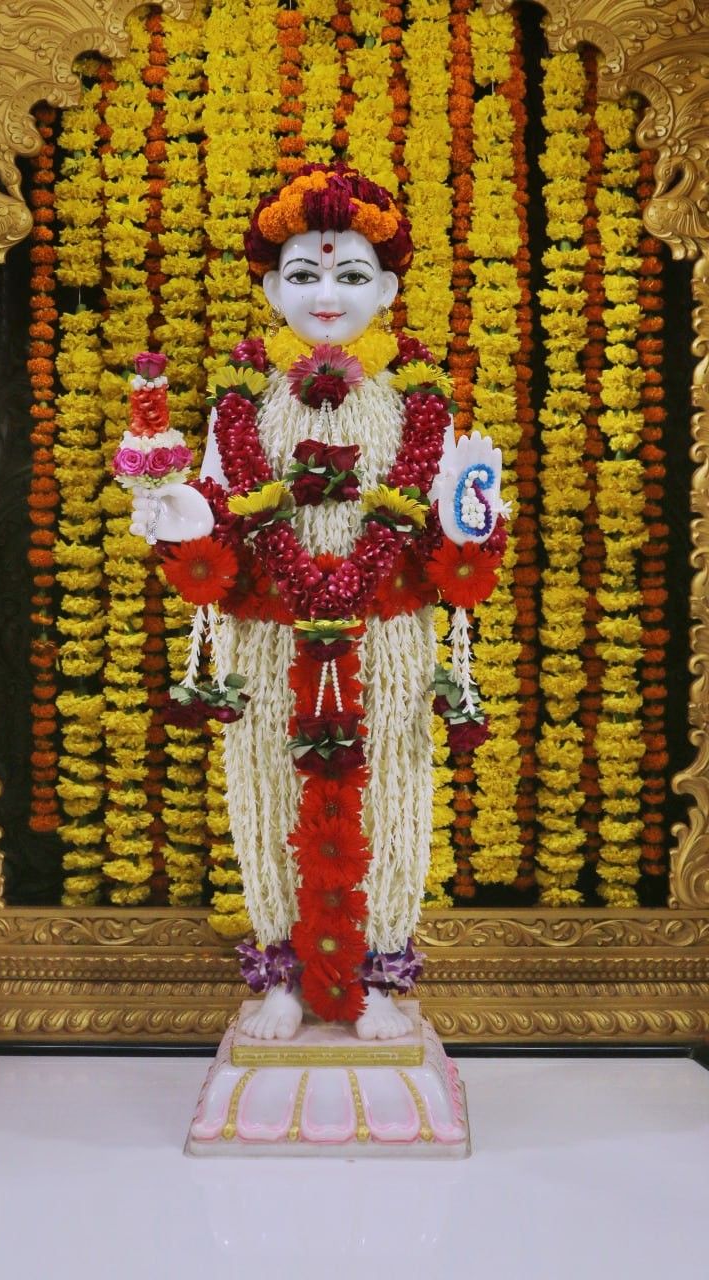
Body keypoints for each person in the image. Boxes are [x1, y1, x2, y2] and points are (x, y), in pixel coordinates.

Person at [130, 165, 504, 1041]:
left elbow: (452, 513)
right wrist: (178, 515)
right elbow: (217, 518)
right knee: (266, 791)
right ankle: (281, 977)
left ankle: (377, 972)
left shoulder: (416, 404)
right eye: (303, 275)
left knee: (391, 792)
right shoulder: (242, 404)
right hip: (268, 638)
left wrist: (476, 523)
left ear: (388, 289)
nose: (326, 293)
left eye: (348, 275)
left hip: (386, 634)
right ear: (270, 289)